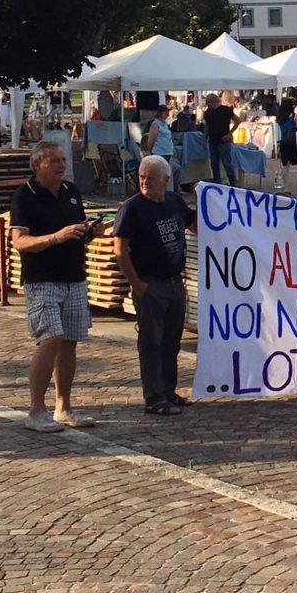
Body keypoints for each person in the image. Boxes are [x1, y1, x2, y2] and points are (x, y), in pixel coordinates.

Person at [9, 141, 101, 432]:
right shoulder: (25, 196)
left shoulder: (71, 192)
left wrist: (90, 233)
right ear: (38, 164)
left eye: (63, 160)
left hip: (75, 276)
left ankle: (64, 407)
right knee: (50, 338)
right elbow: (19, 242)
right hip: (43, 279)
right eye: (55, 161)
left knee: (69, 341)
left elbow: (75, 234)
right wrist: (56, 237)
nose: (62, 165)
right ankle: (36, 410)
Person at [114, 156, 197, 417]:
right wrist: (137, 285)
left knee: (172, 341)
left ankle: (168, 390)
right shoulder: (133, 208)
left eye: (150, 177)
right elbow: (120, 249)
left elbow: (195, 225)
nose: (144, 182)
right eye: (141, 177)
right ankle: (154, 397)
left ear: (166, 179)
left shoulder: (174, 201)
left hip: (174, 282)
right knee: (151, 342)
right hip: (150, 284)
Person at [203, 93, 240, 187]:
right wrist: (205, 139)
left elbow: (238, 120)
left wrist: (230, 133)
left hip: (223, 141)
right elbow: (207, 126)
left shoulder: (226, 110)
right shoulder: (208, 112)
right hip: (213, 140)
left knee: (227, 164)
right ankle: (217, 185)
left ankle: (233, 184)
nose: (208, 105)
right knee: (214, 165)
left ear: (213, 102)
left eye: (208, 102)